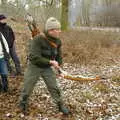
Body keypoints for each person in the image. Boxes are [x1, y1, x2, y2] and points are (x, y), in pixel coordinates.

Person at [19, 17, 70, 115]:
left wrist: (59, 69)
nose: (60, 31)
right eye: (57, 29)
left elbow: (59, 57)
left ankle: (60, 105)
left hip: (46, 68)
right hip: (34, 66)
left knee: (54, 87)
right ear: (50, 30)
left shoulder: (58, 41)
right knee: (27, 87)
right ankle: (23, 103)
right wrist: (51, 62)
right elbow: (34, 57)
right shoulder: (38, 39)